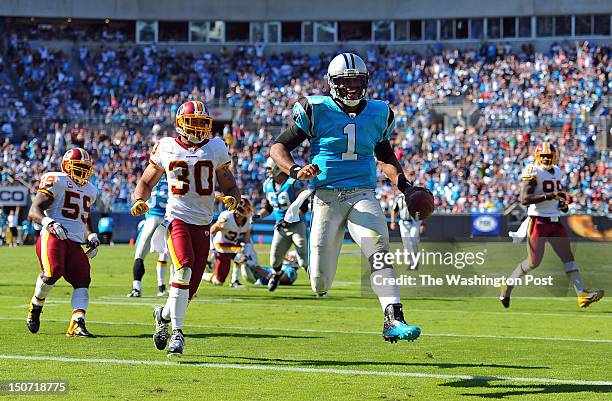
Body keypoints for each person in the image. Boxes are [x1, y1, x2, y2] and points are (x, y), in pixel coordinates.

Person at [271, 53, 430, 343]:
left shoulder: (380, 112)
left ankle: (393, 317)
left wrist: (406, 186)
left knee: (378, 249)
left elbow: (386, 156)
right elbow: (278, 147)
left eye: (357, 82)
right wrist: (295, 170)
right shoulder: (315, 108)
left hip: (362, 194)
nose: (352, 88)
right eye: (346, 82)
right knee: (320, 281)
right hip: (327, 198)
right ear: (333, 84)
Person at [131, 100, 241, 357]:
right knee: (184, 269)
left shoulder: (215, 147)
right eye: (194, 123)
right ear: (181, 124)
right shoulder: (167, 147)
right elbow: (146, 180)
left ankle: (163, 315)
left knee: (187, 290)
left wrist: (233, 197)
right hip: (177, 220)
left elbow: (229, 183)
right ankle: (178, 334)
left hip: (203, 225)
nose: (199, 129)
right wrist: (139, 199)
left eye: (203, 124)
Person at [501, 142, 604, 308]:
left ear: (554, 156)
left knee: (568, 258)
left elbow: (558, 197)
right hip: (538, 221)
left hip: (555, 221)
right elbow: (524, 199)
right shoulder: (533, 171)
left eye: (549, 156)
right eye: (543, 156)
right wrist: (549, 196)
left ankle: (582, 295)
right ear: (537, 157)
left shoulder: (557, 171)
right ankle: (508, 285)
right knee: (533, 262)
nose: (546, 159)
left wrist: (562, 204)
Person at [26, 148, 100, 337]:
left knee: (83, 279)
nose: (82, 173)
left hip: (75, 241)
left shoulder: (91, 190)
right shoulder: (57, 180)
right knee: (53, 272)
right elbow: (34, 210)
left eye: (85, 168)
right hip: (54, 236)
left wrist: (91, 235)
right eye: (78, 168)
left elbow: (84, 217)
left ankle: (77, 323)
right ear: (66, 167)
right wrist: (49, 222)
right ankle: (36, 305)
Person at [257, 157, 308, 291]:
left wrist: (288, 219)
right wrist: (258, 216)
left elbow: (303, 207)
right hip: (280, 227)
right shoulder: (267, 185)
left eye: (269, 168)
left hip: (296, 225)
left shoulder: (293, 183)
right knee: (274, 260)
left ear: (277, 167)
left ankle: (319, 282)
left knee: (303, 259)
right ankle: (277, 275)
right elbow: (268, 207)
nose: (267, 171)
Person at [128, 176, 170, 298]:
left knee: (139, 255)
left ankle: (137, 288)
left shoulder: (149, 179)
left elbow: (139, 193)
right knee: (171, 256)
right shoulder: (173, 179)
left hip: (151, 219)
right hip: (168, 220)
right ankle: (168, 287)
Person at [206, 196, 253, 288]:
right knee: (218, 281)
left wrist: (246, 255)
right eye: (246, 209)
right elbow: (210, 232)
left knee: (242, 252)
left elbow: (247, 240)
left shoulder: (247, 221)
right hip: (220, 246)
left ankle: (235, 281)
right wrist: (212, 248)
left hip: (232, 246)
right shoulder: (227, 218)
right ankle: (203, 274)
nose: (248, 211)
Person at [390, 188, 425, 269]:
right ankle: (411, 263)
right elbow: (394, 211)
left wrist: (423, 223)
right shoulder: (399, 198)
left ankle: (415, 260)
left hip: (415, 222)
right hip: (403, 222)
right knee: (406, 243)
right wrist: (392, 221)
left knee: (413, 240)